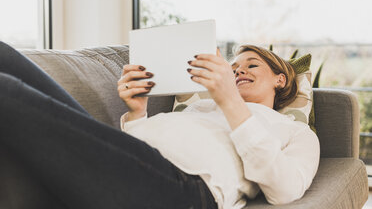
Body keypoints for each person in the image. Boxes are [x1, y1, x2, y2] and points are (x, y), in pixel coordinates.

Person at [0, 41, 320, 209]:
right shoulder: (204, 106)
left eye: (251, 65)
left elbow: (285, 191)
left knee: (7, 91)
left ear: (281, 78)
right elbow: (144, 151)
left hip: (184, 191)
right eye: (233, 66)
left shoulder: (293, 131)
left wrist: (231, 103)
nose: (239, 71)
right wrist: (138, 114)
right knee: (5, 55)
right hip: (132, 163)